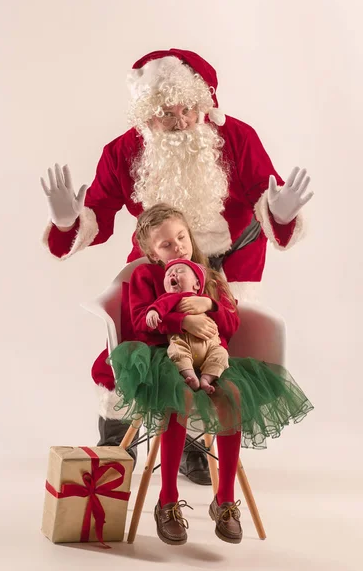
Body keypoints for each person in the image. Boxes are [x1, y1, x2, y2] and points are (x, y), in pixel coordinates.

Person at [40, 48, 314, 484]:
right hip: (156, 265)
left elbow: (270, 201)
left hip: (229, 268)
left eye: (190, 108)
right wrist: (66, 221)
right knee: (129, 347)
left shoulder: (236, 138)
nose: (182, 120)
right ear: (147, 114)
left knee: (211, 352)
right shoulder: (123, 152)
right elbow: (96, 215)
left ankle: (192, 443)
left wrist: (280, 214)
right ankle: (117, 441)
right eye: (167, 113)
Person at [108, 203, 313, 546]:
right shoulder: (145, 276)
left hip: (212, 358)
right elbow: (141, 322)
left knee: (231, 396)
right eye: (166, 245)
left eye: (181, 238)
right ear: (150, 251)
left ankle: (225, 500)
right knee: (181, 396)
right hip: (165, 358)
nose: (178, 248)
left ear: (190, 235)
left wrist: (210, 306)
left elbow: (232, 324)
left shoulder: (210, 276)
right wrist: (181, 320)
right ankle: (168, 499)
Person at [146, 258, 234, 394]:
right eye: (168, 273)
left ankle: (206, 378)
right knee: (176, 351)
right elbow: (159, 306)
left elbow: (229, 321)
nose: (172, 274)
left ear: (197, 284)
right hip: (183, 342)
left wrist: (210, 304)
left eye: (179, 271)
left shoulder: (204, 299)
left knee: (221, 354)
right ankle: (190, 375)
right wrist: (153, 312)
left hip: (210, 345)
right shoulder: (169, 298)